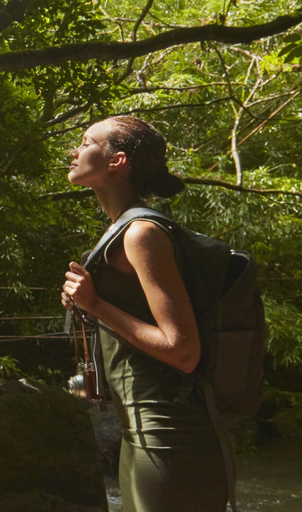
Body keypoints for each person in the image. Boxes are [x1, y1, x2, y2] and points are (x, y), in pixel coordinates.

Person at [60, 115, 229, 511]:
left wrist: (96, 305)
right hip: (140, 434)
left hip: (170, 438)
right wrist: (89, 305)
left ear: (118, 162)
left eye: (87, 143)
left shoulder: (142, 234)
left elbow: (182, 350)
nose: (74, 151)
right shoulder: (121, 230)